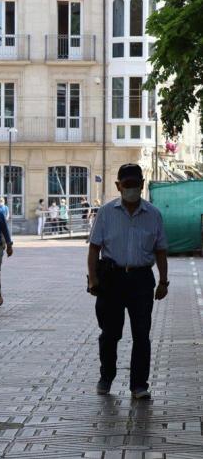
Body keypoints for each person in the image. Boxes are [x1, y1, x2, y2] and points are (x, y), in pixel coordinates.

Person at [88, 163, 168, 400]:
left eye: (136, 184)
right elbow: (94, 249)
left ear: (143, 185)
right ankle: (106, 376)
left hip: (142, 280)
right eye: (127, 185)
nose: (132, 189)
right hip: (111, 279)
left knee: (142, 334)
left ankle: (139, 385)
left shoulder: (153, 214)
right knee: (110, 333)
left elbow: (161, 250)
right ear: (118, 186)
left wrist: (164, 281)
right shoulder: (105, 213)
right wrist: (93, 279)